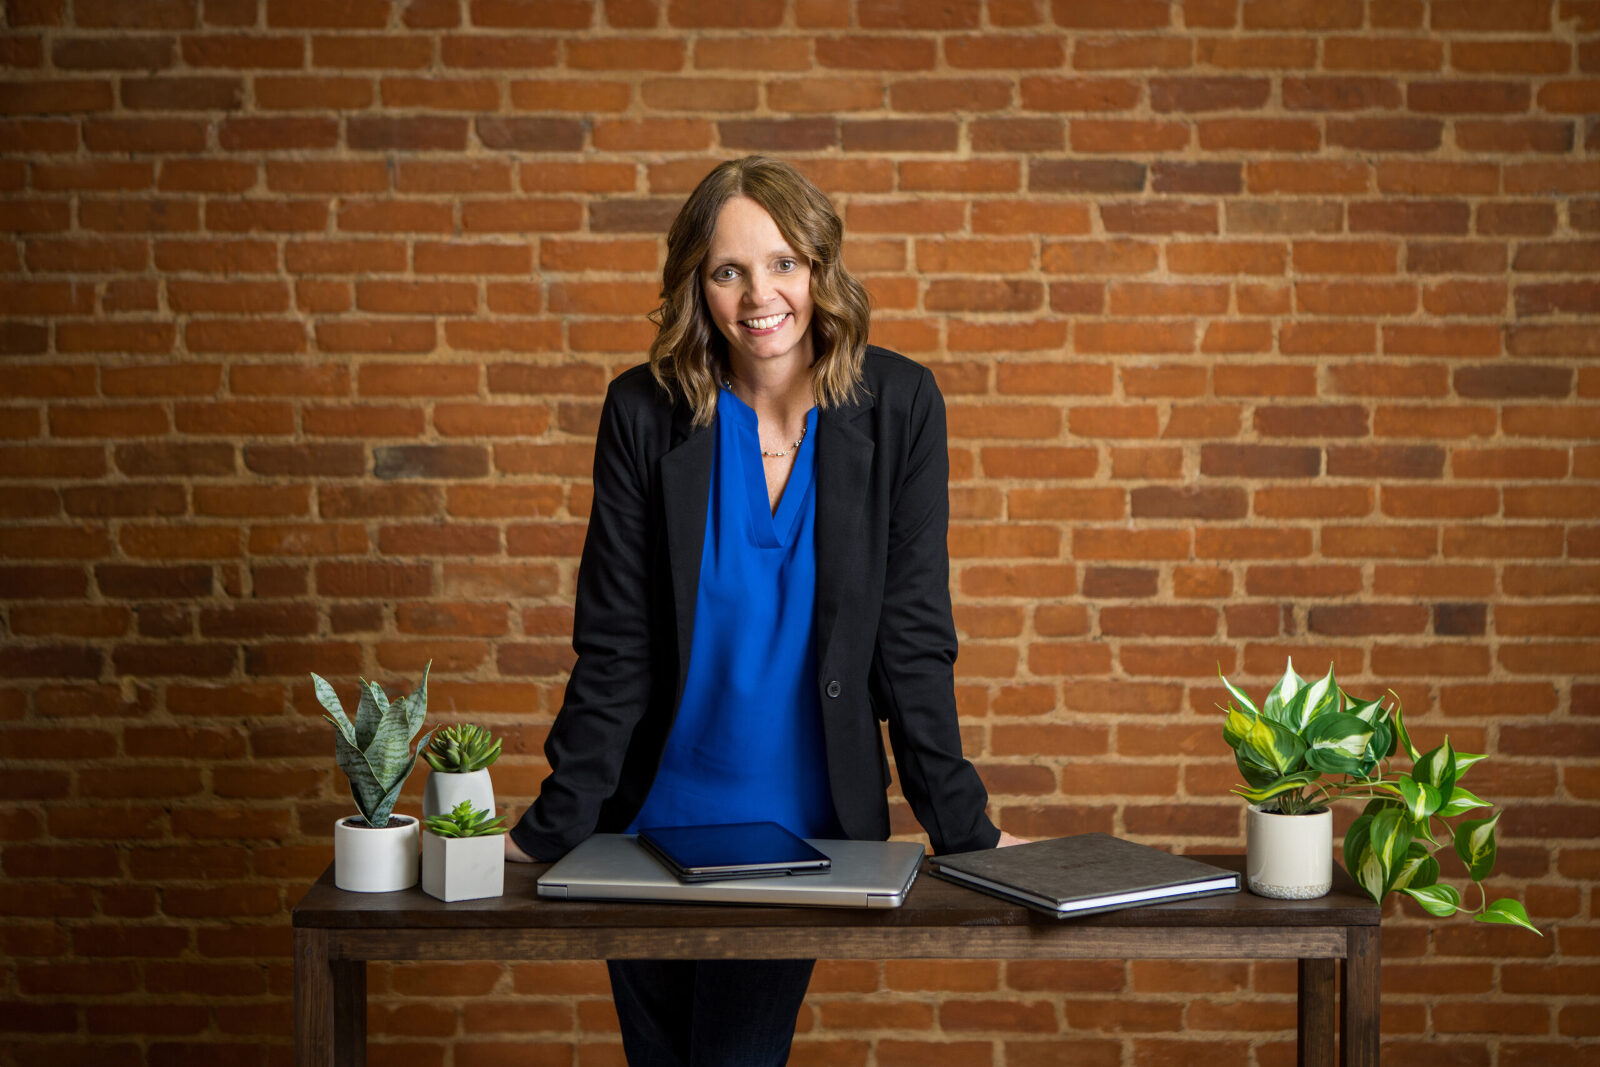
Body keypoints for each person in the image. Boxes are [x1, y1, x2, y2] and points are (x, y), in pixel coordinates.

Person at [505, 155, 1020, 1066]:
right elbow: (615, 648)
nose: (759, 295)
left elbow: (911, 643)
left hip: (803, 840)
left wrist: (966, 828)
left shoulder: (900, 406)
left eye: (783, 262)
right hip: (642, 832)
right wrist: (548, 829)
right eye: (728, 270)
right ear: (696, 287)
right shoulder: (642, 411)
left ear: (820, 267)